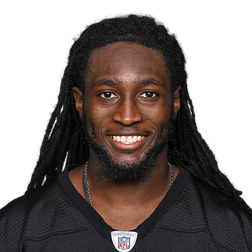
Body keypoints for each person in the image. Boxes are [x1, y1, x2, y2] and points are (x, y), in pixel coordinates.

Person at [1, 12, 252, 252]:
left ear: (175, 101)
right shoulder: (18, 230)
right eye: (107, 95)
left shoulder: (231, 231)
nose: (128, 116)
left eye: (148, 94)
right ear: (80, 102)